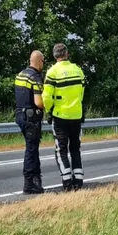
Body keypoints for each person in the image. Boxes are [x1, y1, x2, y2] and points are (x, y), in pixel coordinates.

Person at [43, 43, 86, 192]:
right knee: (75, 148)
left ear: (54, 56)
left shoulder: (52, 72)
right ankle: (79, 182)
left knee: (61, 150)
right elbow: (81, 93)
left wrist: (50, 109)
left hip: (60, 116)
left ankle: (67, 183)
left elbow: (46, 96)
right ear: (67, 54)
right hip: (76, 115)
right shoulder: (78, 70)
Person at [14, 51, 46, 194]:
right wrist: (49, 104)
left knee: (32, 149)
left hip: (21, 115)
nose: (43, 65)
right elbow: (38, 102)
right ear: (38, 61)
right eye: (43, 61)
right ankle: (29, 184)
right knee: (31, 150)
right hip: (31, 118)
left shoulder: (20, 74)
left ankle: (36, 181)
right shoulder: (35, 78)